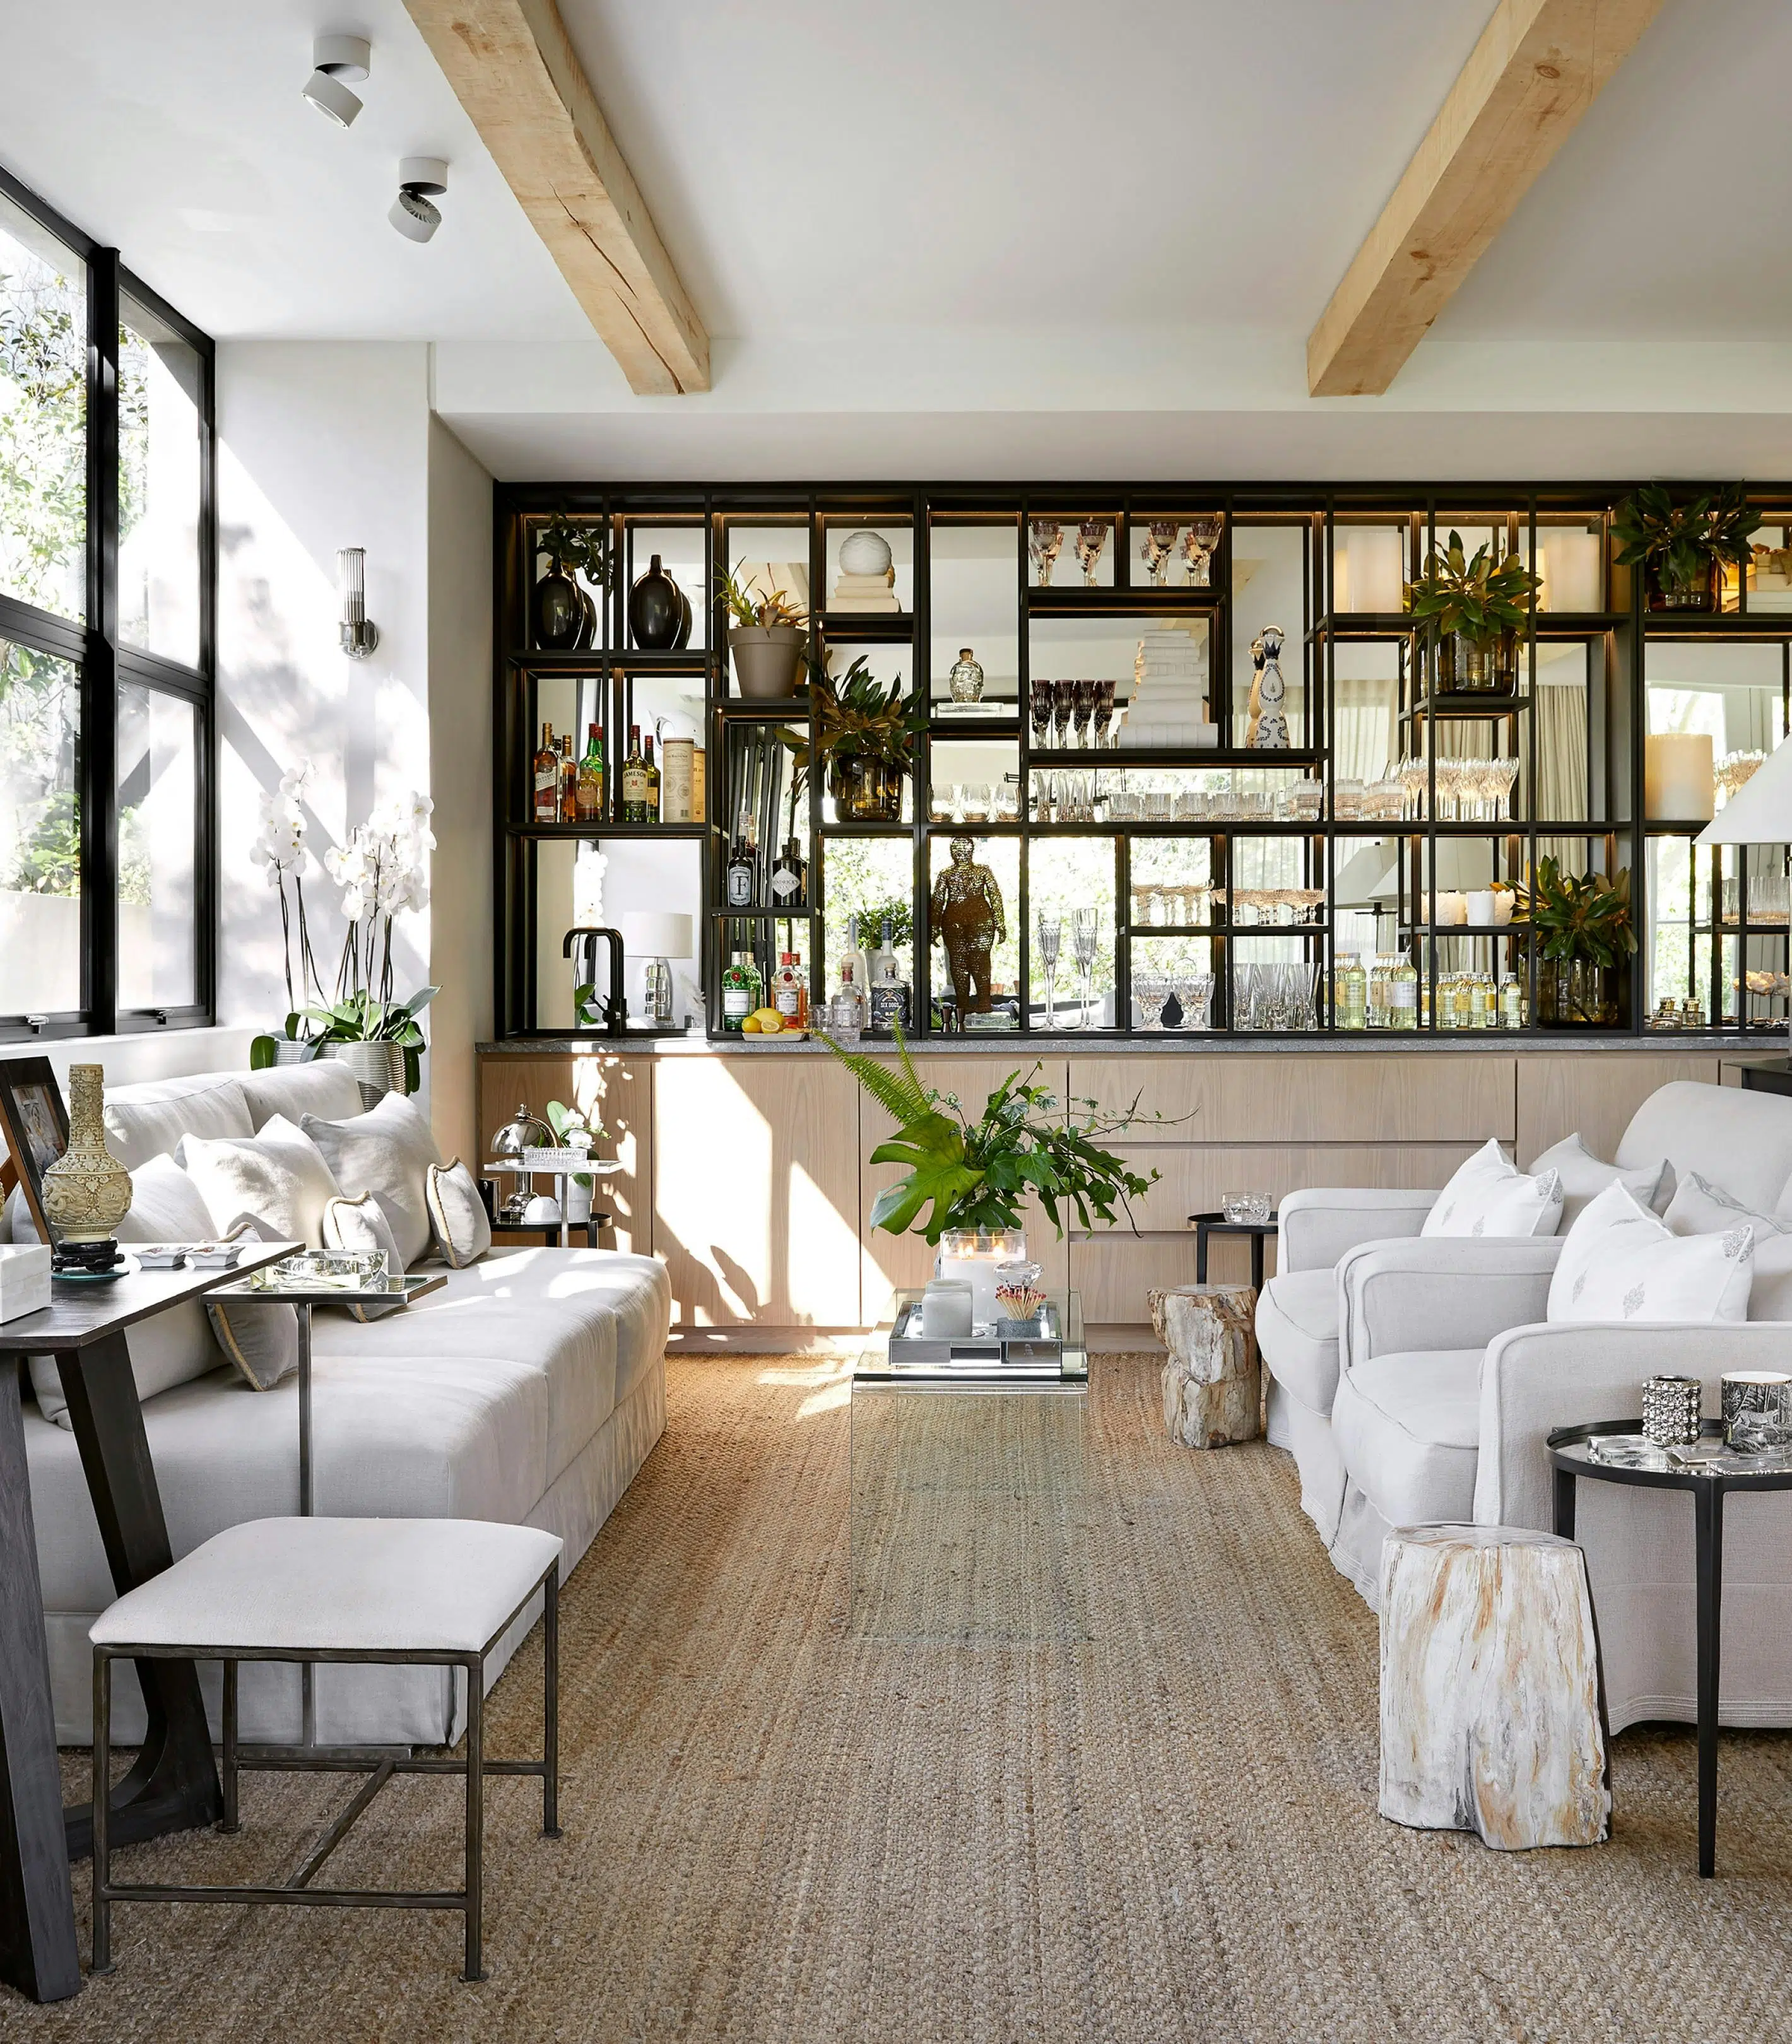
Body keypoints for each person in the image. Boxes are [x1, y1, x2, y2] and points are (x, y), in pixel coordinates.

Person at [929, 837, 1006, 1022]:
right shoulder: (950, 874)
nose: (961, 854)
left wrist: (1000, 923)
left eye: (964, 850)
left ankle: (980, 1002)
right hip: (964, 921)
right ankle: (966, 1003)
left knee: (973, 962)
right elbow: (937, 902)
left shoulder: (973, 872)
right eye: (959, 851)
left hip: (974, 921)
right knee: (963, 963)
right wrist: (933, 927)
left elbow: (995, 895)